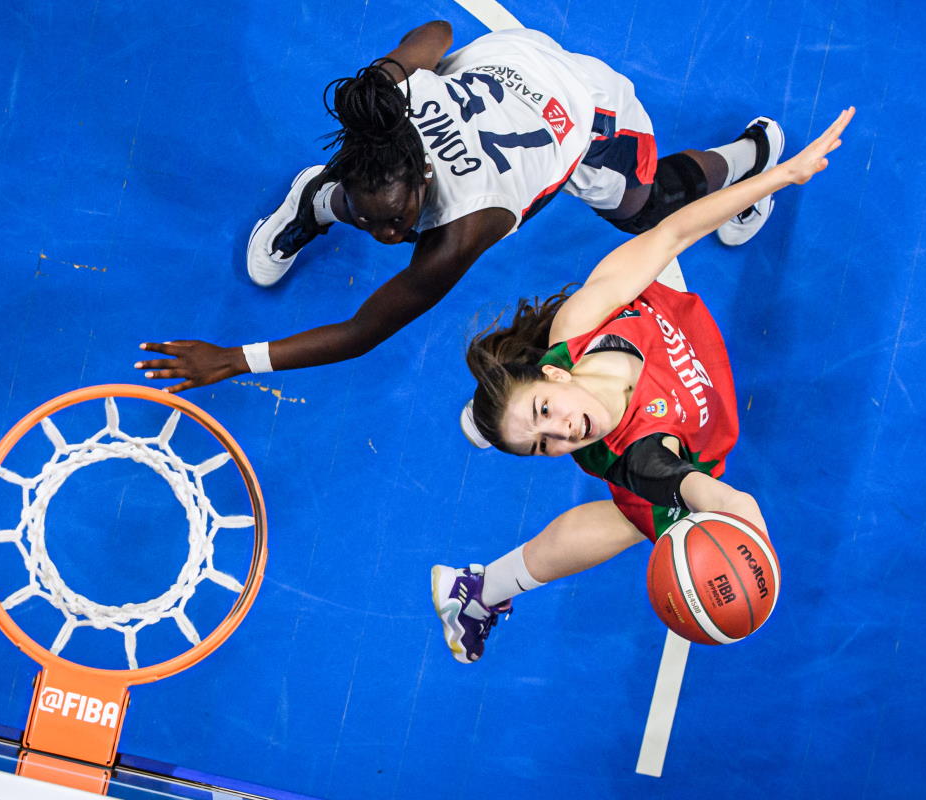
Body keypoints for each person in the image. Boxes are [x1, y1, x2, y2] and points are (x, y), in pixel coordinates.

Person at [136, 20, 784, 392]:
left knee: (643, 209)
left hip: (585, 112)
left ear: (424, 177)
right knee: (366, 162)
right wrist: (387, 72)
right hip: (505, 66)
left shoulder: (469, 225)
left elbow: (364, 333)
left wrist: (233, 358)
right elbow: (439, 30)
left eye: (398, 218)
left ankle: (753, 156)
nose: (390, 234)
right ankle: (319, 199)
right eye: (378, 220)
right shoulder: (394, 113)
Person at [431, 107, 855, 663]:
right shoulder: (642, 460)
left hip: (654, 315)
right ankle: (481, 590)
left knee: (655, 212)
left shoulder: (579, 327)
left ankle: (750, 159)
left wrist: (780, 174)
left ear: (554, 370)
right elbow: (720, 497)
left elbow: (673, 233)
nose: (562, 433)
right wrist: (751, 543)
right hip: (675, 421)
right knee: (635, 522)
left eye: (543, 412)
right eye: (543, 445)